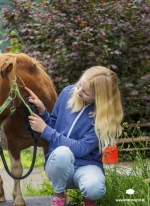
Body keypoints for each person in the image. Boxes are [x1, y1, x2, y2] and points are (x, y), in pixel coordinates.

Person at [25, 66, 123, 206]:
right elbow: (53, 125)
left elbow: (82, 148)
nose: (78, 91)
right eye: (79, 85)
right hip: (59, 165)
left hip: (87, 166)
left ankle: (89, 199)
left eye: (85, 92)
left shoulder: (104, 117)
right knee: (63, 153)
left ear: (99, 98)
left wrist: (45, 129)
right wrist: (43, 112)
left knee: (95, 189)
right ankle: (59, 195)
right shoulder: (67, 93)